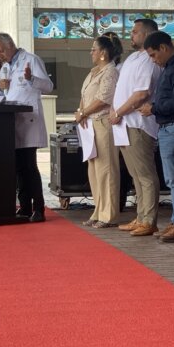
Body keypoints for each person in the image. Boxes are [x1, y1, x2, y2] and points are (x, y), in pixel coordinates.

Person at [0, 33, 54, 223]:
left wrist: (31, 78)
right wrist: (1, 88)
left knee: (29, 166)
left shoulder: (31, 60)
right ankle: (24, 207)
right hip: (11, 122)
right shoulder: (5, 67)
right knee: (18, 168)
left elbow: (48, 86)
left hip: (29, 121)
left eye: (1, 51)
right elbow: (3, 97)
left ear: (11, 45)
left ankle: (39, 208)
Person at [141, 30, 174, 243]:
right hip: (169, 127)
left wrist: (154, 108)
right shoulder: (170, 67)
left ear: (163, 48)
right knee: (173, 178)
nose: (153, 60)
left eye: (153, 55)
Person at [110, 18, 161, 236]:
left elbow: (142, 94)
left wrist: (119, 112)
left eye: (135, 32)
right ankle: (140, 216)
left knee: (145, 174)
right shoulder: (132, 58)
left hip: (138, 124)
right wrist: (115, 111)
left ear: (147, 34)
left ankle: (149, 220)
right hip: (124, 124)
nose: (131, 35)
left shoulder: (149, 60)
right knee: (135, 175)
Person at [75, 35, 121, 228]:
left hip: (102, 123)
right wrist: (80, 112)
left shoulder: (110, 72)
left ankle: (108, 214)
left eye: (94, 49)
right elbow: (84, 96)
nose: (91, 52)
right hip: (89, 125)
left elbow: (103, 99)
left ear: (103, 53)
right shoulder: (93, 72)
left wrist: (84, 112)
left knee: (106, 169)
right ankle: (98, 210)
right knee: (94, 170)